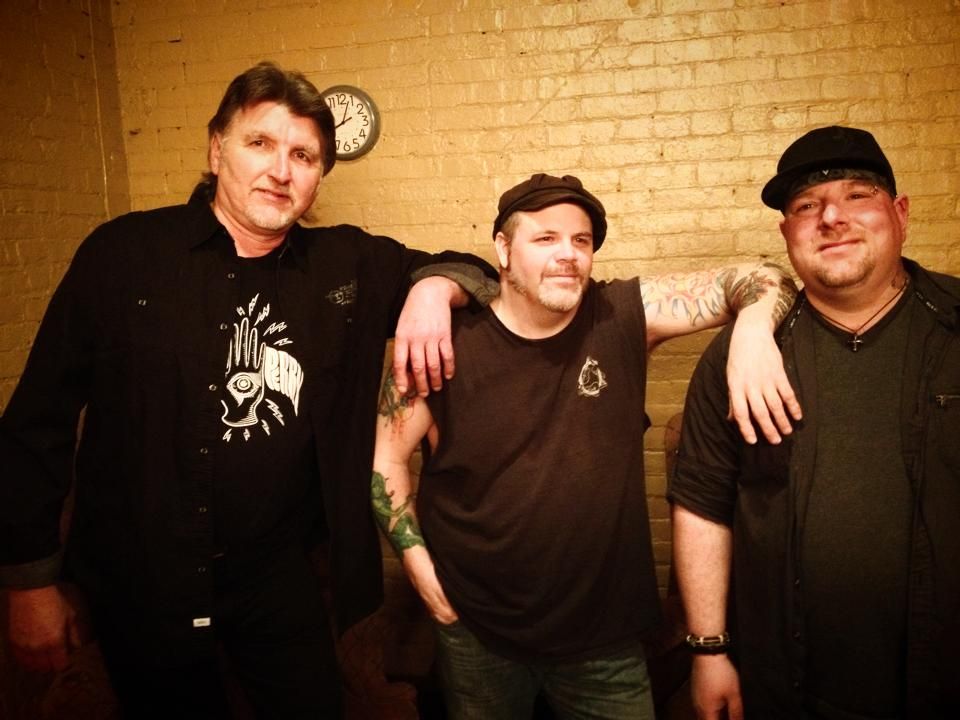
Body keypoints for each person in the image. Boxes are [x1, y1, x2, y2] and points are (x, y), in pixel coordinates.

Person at [0, 61, 497, 719]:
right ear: (217, 149)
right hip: (143, 583)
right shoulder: (122, 254)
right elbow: (38, 420)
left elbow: (477, 272)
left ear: (319, 177)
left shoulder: (345, 264)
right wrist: (29, 581)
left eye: (303, 156)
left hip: (283, 582)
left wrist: (433, 289)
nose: (280, 170)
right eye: (259, 143)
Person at [370, 172, 801, 719]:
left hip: (604, 639)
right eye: (545, 238)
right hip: (476, 628)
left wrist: (754, 331)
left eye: (581, 240)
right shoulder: (443, 343)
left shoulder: (619, 314)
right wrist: (421, 572)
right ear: (503, 249)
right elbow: (387, 459)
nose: (568, 254)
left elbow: (763, 276)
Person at [669, 125, 960, 719]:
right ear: (786, 233)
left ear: (901, 213)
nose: (831, 217)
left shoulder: (954, 326)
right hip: (784, 681)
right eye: (806, 205)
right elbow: (702, 503)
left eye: (858, 195)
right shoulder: (738, 355)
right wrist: (708, 651)